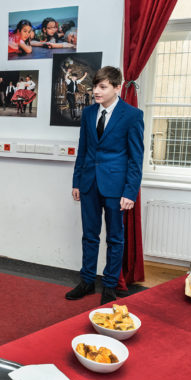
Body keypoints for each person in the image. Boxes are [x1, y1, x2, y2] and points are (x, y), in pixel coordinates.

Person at [67, 66, 144, 305]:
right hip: (89, 183)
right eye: (95, 87)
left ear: (117, 87)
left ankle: (110, 286)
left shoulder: (132, 115)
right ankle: (87, 281)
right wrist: (77, 181)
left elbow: (136, 158)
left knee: (115, 239)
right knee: (89, 236)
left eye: (102, 87)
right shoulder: (89, 113)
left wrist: (130, 192)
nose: (96, 91)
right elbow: (83, 149)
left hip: (116, 187)